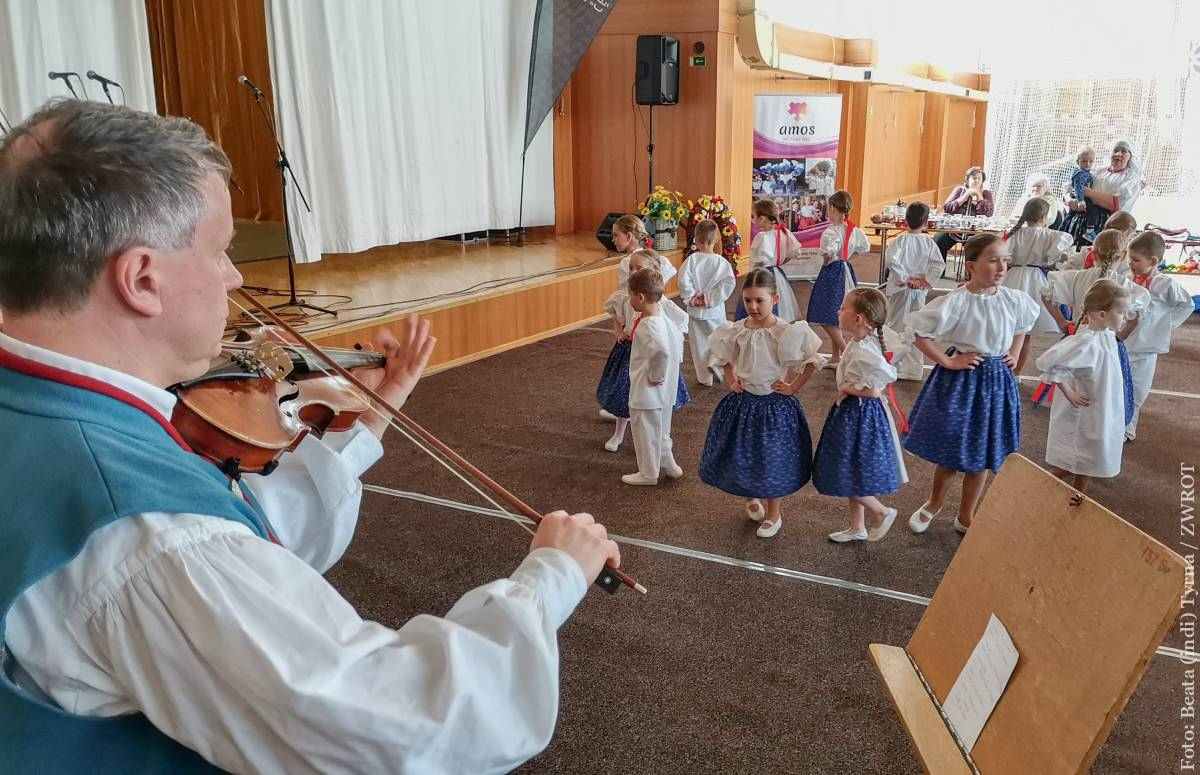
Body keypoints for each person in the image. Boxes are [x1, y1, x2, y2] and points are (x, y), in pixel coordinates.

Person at [0, 100, 621, 774]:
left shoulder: (43, 418)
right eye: (220, 250)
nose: (237, 279)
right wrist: (550, 577)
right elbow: (406, 725)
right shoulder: (149, 535)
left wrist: (374, 413)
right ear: (143, 278)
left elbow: (238, 539)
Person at [904, 234, 1039, 534]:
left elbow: (1023, 326)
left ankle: (966, 515)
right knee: (951, 454)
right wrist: (948, 361)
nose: (1002, 267)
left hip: (996, 384)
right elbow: (918, 331)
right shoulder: (957, 301)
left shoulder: (1012, 299)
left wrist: (1015, 353)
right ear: (971, 266)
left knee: (981, 458)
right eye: (993, 260)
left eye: (1005, 260)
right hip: (963, 382)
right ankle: (934, 503)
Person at [699, 268, 824, 539]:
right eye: (748, 300)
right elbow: (726, 359)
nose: (753, 307)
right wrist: (732, 380)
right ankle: (750, 494)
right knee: (743, 454)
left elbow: (811, 362)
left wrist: (792, 388)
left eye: (760, 301)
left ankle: (774, 513)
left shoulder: (785, 331)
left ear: (775, 298)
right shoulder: (737, 330)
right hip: (744, 404)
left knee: (772, 460)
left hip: (774, 407)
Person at [812, 289, 906, 543]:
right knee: (855, 469)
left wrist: (846, 389)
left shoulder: (865, 351)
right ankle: (857, 527)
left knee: (846, 470)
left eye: (843, 308)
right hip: (854, 414)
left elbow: (874, 390)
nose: (838, 311)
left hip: (859, 417)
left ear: (859, 318)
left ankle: (881, 511)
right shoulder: (860, 342)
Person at [1041, 229, 1146, 424]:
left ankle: (1068, 439)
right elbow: (1137, 316)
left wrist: (1062, 321)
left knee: (1072, 393)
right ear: (1122, 256)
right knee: (1104, 396)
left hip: (1079, 340)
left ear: (1093, 253)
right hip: (1108, 345)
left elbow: (1046, 294)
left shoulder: (1077, 276)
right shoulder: (1124, 285)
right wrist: (1120, 337)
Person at [1035, 279, 1130, 492]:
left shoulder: (1106, 336)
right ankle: (1041, 488)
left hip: (1102, 405)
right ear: (1101, 314)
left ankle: (1076, 495)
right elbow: (1051, 363)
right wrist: (1069, 392)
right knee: (1081, 456)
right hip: (1088, 408)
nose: (1124, 317)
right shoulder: (1087, 342)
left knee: (1090, 458)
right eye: (1121, 313)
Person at [597, 249, 689, 452]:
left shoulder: (660, 301)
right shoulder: (624, 296)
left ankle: (661, 435)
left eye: (639, 268)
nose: (633, 271)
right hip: (628, 350)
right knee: (624, 392)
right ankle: (619, 432)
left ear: (654, 271)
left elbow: (680, 321)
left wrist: (673, 343)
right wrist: (619, 331)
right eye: (631, 267)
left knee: (650, 394)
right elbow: (616, 316)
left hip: (648, 352)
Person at [1123, 232, 1195, 440]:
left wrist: (1166, 325)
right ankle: (1115, 424)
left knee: (1138, 389)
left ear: (1153, 261)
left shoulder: (1165, 283)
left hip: (1147, 348)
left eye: (1136, 260)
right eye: (1130, 259)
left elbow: (1187, 304)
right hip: (1126, 341)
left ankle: (1128, 427)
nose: (1131, 264)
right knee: (1118, 385)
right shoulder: (1129, 279)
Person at [622, 268, 687, 485]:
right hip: (661, 390)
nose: (628, 298)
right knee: (658, 428)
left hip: (648, 389)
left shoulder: (649, 324)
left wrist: (655, 376)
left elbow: (661, 351)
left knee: (645, 431)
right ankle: (668, 463)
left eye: (630, 294)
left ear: (640, 297)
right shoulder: (660, 316)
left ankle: (648, 473)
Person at [1003, 197, 1075, 372]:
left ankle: (1003, 369)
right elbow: (1056, 254)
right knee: (1025, 334)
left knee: (1005, 328)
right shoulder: (1050, 235)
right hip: (1036, 280)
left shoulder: (1015, 233)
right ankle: (1016, 373)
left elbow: (1006, 256)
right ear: (1045, 217)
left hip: (1013, 277)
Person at [883, 202, 945, 380]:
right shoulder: (929, 243)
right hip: (917, 290)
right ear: (926, 222)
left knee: (895, 325)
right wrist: (923, 281)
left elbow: (892, 261)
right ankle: (912, 369)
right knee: (915, 326)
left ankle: (892, 364)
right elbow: (938, 265)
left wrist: (905, 278)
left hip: (900, 289)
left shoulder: (899, 241)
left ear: (905, 221)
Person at [809, 190, 869, 366]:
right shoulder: (853, 230)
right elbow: (863, 248)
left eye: (829, 208)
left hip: (832, 272)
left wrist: (828, 259)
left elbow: (828, 255)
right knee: (837, 312)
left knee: (825, 314)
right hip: (845, 269)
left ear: (834, 208)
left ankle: (845, 351)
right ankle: (835, 357)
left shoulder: (830, 232)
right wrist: (846, 259)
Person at [679, 219, 736, 386]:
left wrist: (692, 297)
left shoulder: (691, 260)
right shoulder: (721, 262)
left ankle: (705, 378)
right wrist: (710, 298)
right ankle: (717, 364)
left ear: (696, 240)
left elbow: (683, 281)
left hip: (695, 310)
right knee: (719, 338)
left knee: (699, 345)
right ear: (717, 239)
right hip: (714, 310)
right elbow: (728, 283)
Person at [1067, 141, 1144, 247]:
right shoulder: (1098, 171)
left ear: (1130, 156)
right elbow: (1071, 186)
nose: (1118, 154)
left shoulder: (1131, 179)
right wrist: (1069, 200)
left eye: (1123, 151)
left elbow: (1117, 204)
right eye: (1116, 150)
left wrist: (1088, 193)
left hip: (1105, 226)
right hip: (1079, 220)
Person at [738, 199, 802, 322]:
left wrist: (751, 274)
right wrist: (779, 262)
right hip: (777, 274)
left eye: (754, 216)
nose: (753, 220)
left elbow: (760, 260)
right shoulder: (783, 232)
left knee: (758, 304)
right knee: (778, 308)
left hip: (762, 275)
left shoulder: (762, 237)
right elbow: (795, 252)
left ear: (762, 218)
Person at [935, 166, 995, 258]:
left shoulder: (986, 193)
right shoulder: (960, 190)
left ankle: (970, 272)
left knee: (977, 250)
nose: (977, 181)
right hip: (955, 230)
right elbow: (947, 207)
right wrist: (965, 197)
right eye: (974, 178)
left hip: (975, 233)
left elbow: (989, 213)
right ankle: (939, 271)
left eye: (979, 179)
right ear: (967, 180)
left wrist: (979, 197)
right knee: (938, 241)